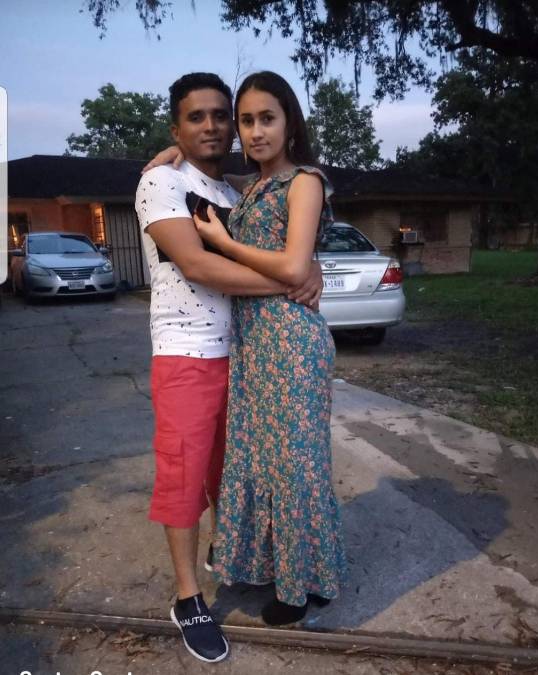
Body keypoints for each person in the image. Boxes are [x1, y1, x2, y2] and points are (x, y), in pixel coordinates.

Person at [134, 72, 322, 663]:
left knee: (233, 474)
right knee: (183, 477)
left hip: (244, 355)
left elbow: (285, 209)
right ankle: (188, 597)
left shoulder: (236, 189)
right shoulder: (161, 182)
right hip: (185, 354)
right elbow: (198, 266)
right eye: (197, 117)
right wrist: (292, 278)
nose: (212, 126)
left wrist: (304, 263)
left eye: (222, 115)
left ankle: (240, 559)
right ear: (176, 128)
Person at [192, 71, 347, 626]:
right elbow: (204, 163)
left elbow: (293, 266)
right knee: (267, 461)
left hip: (291, 341)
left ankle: (297, 590)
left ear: (290, 123)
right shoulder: (253, 186)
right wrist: (173, 150)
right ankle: (313, 574)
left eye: (267, 119)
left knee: (294, 466)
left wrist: (223, 241)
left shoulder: (304, 181)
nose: (256, 131)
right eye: (246, 121)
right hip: (254, 342)